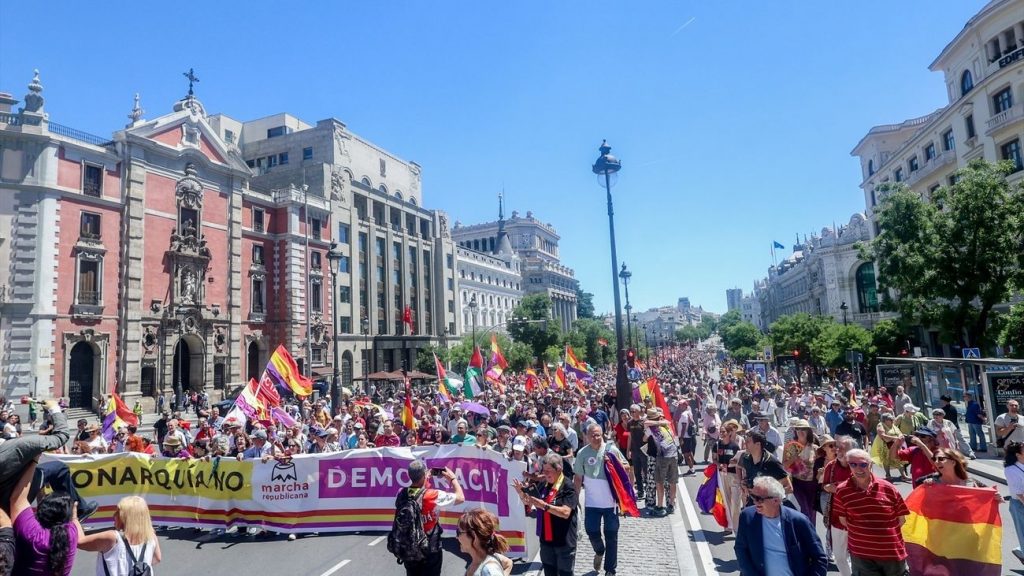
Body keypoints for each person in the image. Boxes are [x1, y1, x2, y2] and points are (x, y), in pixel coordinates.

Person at [831, 448, 910, 576]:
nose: (858, 469)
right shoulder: (841, 491)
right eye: (853, 464)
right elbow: (844, 521)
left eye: (863, 464)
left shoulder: (889, 488)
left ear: (870, 465)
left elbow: (901, 519)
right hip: (861, 555)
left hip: (892, 552)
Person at [734, 476, 828, 576]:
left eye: (759, 499)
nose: (755, 502)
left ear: (776, 500)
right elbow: (741, 549)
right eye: (753, 497)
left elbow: (819, 558)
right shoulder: (747, 516)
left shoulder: (798, 521)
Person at [389, 461, 464, 576]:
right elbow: (460, 497)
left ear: (409, 476)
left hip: (409, 548)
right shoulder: (432, 495)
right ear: (424, 475)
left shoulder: (401, 493)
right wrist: (453, 479)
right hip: (430, 548)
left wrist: (424, 477)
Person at [573, 423, 628, 576]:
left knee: (611, 535)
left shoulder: (612, 450)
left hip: (611, 503)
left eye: (598, 435)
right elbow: (577, 478)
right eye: (592, 435)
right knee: (591, 531)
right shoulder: (582, 453)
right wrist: (574, 499)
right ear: (586, 437)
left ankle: (610, 569)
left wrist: (614, 466)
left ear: (602, 434)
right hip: (591, 503)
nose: (595, 438)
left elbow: (626, 467)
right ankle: (599, 550)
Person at [10, 461, 80, 576]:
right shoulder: (70, 534)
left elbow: (17, 498)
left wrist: (33, 460)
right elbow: (75, 521)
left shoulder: (32, 534)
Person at [513, 453, 577, 576]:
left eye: (549, 470)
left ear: (558, 469)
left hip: (564, 542)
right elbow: (529, 503)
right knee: (549, 573)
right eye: (544, 470)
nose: (545, 473)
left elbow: (565, 512)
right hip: (546, 541)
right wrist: (521, 493)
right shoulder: (543, 484)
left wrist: (544, 506)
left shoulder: (568, 486)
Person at [76, 496, 161, 576]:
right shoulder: (151, 536)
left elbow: (79, 541)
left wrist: (74, 518)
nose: (114, 515)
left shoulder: (112, 538)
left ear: (126, 518)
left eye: (118, 512)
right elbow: (157, 558)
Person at [821, 436, 856, 576]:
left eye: (842, 448)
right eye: (837, 447)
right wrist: (829, 487)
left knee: (858, 555)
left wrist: (840, 488)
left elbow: (867, 486)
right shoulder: (831, 466)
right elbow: (824, 486)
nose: (838, 450)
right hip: (836, 518)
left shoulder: (860, 464)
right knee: (840, 556)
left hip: (857, 518)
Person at [737, 430, 791, 506]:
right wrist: (743, 484)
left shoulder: (772, 462)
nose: (744, 444)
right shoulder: (745, 458)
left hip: (768, 506)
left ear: (758, 444)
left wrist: (766, 496)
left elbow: (789, 488)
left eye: (748, 442)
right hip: (751, 502)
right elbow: (747, 475)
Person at [455, 508, 511, 576]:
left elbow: (508, 563)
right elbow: (509, 563)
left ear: (474, 536)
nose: (457, 537)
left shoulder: (489, 570)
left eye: (459, 532)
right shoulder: (478, 561)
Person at [643, 408, 678, 516]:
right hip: (673, 454)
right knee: (672, 481)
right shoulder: (667, 425)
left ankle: (659, 506)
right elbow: (673, 436)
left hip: (662, 456)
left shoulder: (651, 428)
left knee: (659, 482)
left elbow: (644, 439)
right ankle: (671, 504)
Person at [781, 420, 818, 524]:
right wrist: (794, 458)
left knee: (812, 512)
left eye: (804, 429)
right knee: (805, 511)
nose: (800, 431)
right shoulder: (790, 446)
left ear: (808, 431)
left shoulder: (814, 448)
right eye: (798, 429)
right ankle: (804, 534)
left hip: (812, 484)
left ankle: (811, 536)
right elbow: (784, 465)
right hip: (797, 483)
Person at [1004, 442, 1024, 564]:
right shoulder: (1011, 470)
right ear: (1018, 454)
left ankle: (1020, 551)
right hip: (1020, 505)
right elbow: (1019, 493)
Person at [870, 413, 905, 481]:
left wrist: (901, 437)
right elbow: (882, 435)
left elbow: (899, 433)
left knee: (899, 459)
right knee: (886, 460)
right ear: (885, 420)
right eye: (890, 419)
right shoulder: (881, 425)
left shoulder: (893, 425)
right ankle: (888, 475)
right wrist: (895, 438)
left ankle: (904, 475)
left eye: (892, 419)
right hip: (885, 445)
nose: (892, 420)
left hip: (895, 445)